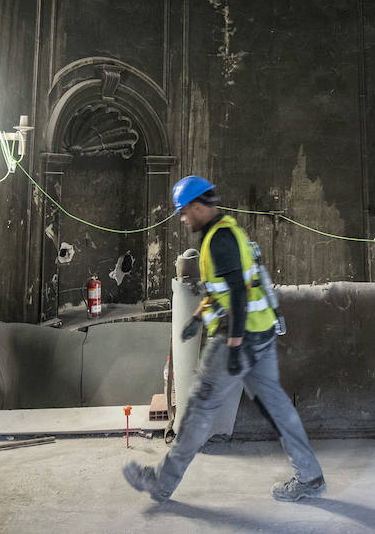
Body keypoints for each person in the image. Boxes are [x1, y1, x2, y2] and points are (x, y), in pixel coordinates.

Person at [123, 175, 326, 504]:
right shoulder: (228, 230)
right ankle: (310, 476)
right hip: (259, 333)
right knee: (277, 407)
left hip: (238, 336)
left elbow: (236, 297)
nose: (182, 218)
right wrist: (197, 317)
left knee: (198, 410)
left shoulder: (218, 240)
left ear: (199, 206)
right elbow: (229, 288)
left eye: (184, 212)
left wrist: (232, 347)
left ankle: (161, 483)